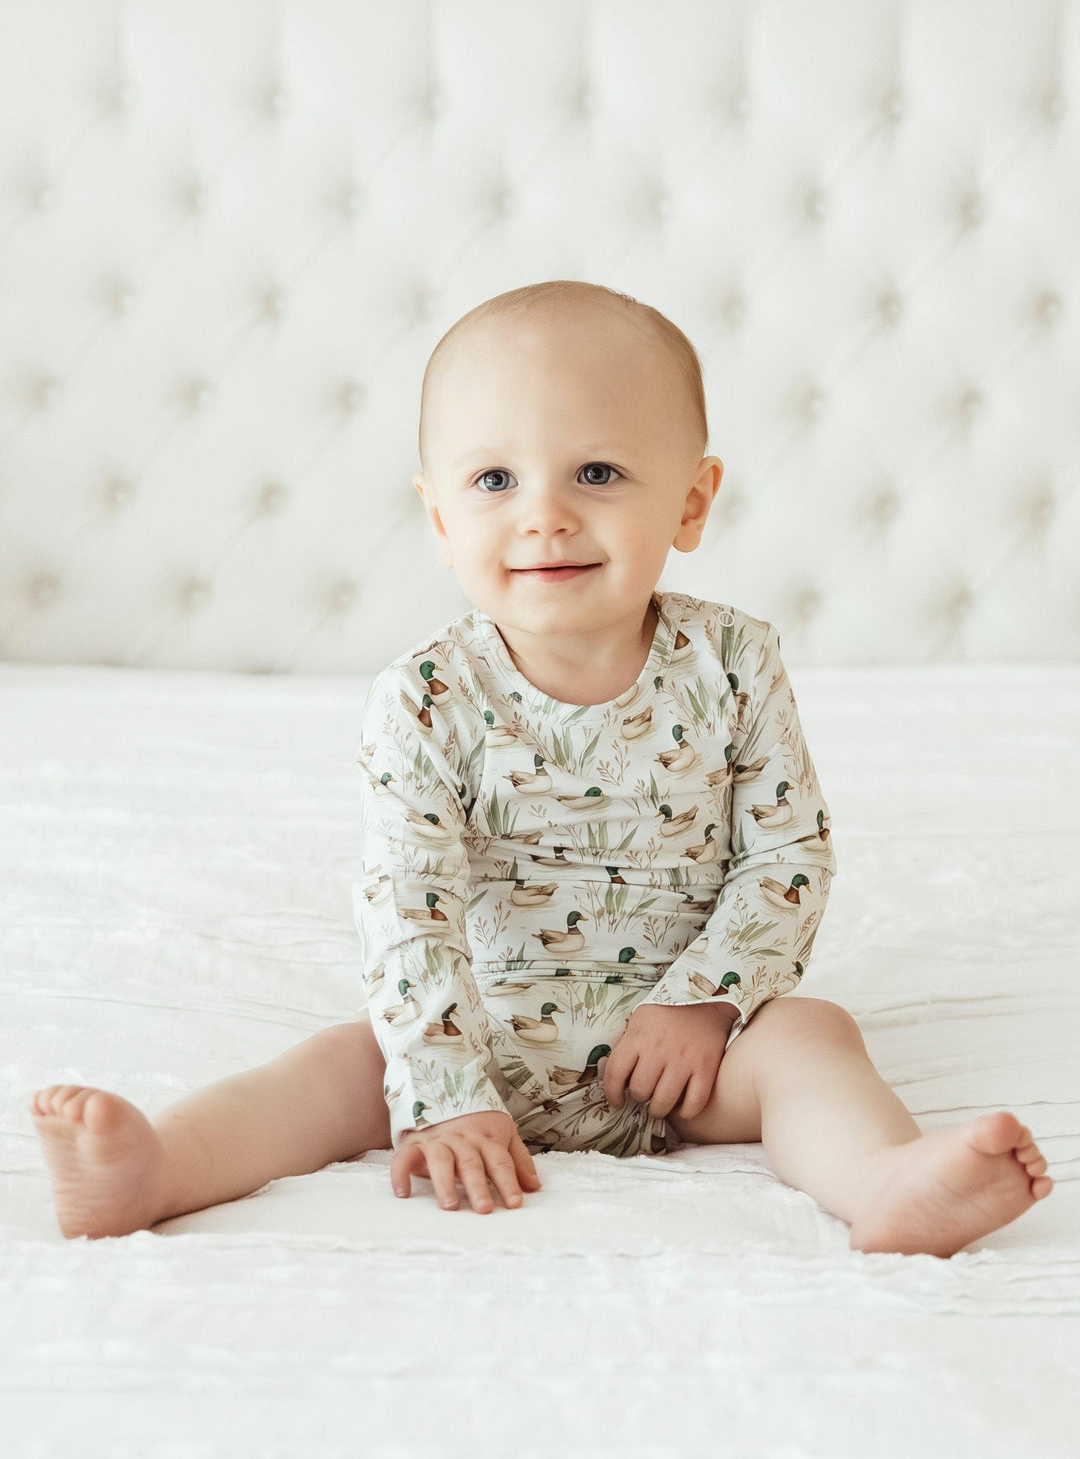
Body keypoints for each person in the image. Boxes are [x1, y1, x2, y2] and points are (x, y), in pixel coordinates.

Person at [29, 280, 1053, 1257]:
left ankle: (879, 1181)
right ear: (441, 520)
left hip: (691, 1059)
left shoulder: (735, 662)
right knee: (339, 1066)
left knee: (815, 1037)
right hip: (487, 1037)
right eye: (494, 480)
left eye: (596, 473)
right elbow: (408, 902)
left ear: (692, 502)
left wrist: (704, 1001)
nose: (544, 515)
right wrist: (444, 1088)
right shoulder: (427, 697)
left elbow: (787, 853)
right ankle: (161, 1167)